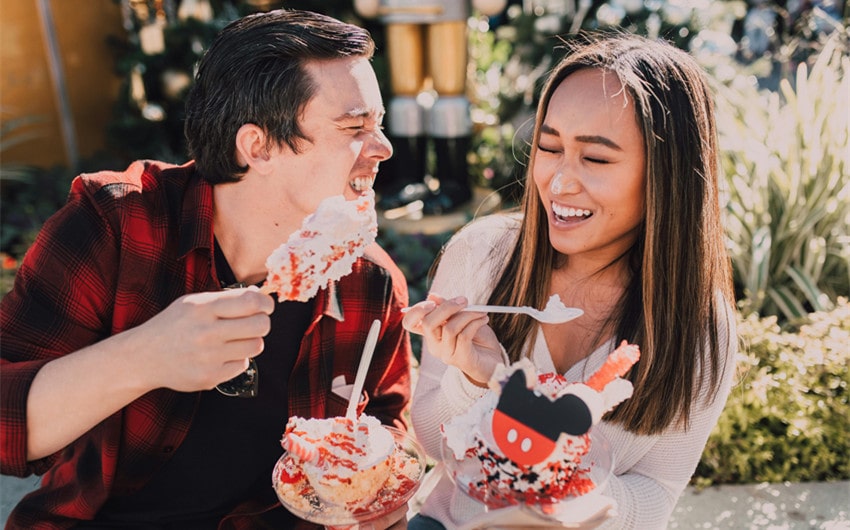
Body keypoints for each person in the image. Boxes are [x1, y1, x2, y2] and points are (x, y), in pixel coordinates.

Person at [0, 9, 412, 530]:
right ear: (257, 147)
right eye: (355, 128)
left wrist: (381, 485)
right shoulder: (116, 227)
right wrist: (142, 357)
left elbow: (385, 422)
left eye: (378, 125)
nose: (384, 148)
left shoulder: (368, 282)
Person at [402, 32, 738, 529]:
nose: (558, 181)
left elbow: (656, 493)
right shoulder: (483, 255)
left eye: (596, 158)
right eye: (549, 146)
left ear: (667, 176)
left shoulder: (702, 328)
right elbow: (431, 440)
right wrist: (475, 382)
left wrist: (556, 465)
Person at [354, 0, 506, 215]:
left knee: (449, 92)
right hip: (399, 9)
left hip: (446, 9)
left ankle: (454, 182)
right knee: (405, 93)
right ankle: (409, 178)